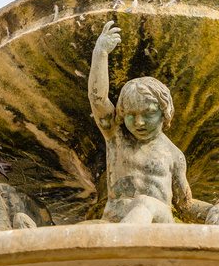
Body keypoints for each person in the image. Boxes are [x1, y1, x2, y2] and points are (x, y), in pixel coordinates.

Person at [89, 20, 212, 223]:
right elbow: (98, 99)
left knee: (145, 203)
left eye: (148, 114)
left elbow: (185, 204)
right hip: (114, 223)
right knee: (88, 229)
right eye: (131, 115)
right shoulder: (117, 136)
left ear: (165, 112)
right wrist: (100, 53)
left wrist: (214, 210)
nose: (139, 123)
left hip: (158, 223)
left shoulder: (174, 155)